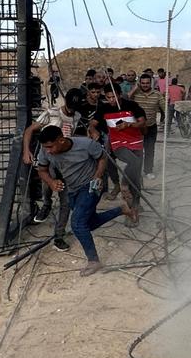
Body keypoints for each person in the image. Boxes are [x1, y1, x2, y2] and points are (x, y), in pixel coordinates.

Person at [34, 126, 137, 276]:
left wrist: (98, 175)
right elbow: (42, 170)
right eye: (45, 148)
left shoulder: (86, 144)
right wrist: (51, 182)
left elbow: (102, 158)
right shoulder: (45, 151)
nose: (47, 151)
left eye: (50, 146)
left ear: (61, 140)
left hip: (91, 187)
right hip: (73, 189)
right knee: (89, 223)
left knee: (77, 223)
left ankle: (94, 261)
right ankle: (122, 210)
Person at [20, 87, 85, 250]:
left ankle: (59, 235)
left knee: (66, 200)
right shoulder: (51, 113)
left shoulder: (77, 116)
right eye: (69, 105)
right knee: (47, 184)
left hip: (64, 160)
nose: (71, 110)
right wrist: (26, 150)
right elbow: (30, 130)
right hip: (46, 157)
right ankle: (47, 204)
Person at [93, 85, 147, 224]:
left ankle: (134, 206)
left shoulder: (132, 105)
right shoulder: (103, 108)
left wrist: (129, 125)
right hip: (118, 143)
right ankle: (124, 185)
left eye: (114, 96)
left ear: (120, 95)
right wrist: (93, 129)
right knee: (134, 165)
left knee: (135, 176)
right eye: (108, 97)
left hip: (136, 143)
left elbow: (142, 123)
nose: (112, 100)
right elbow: (93, 123)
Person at [127, 74, 164, 179]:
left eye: (147, 83)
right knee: (136, 150)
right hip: (136, 127)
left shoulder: (157, 94)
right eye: (142, 83)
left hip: (151, 126)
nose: (145, 85)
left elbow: (164, 106)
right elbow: (126, 98)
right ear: (139, 83)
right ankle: (135, 171)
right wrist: (135, 88)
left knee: (149, 150)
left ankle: (148, 170)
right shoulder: (135, 94)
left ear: (151, 83)